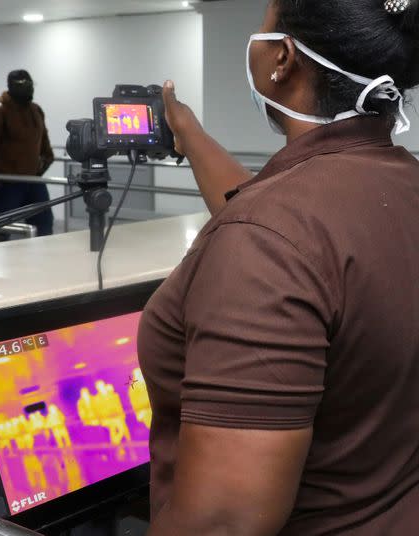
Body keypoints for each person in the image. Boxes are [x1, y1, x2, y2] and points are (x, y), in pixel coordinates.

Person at [138, 1, 419, 535]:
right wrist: (189, 133)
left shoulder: (268, 242)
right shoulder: (397, 187)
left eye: (263, 29)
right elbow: (300, 238)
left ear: (282, 59)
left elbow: (222, 522)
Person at [0, 70, 54, 236]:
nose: (29, 89)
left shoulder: (36, 110)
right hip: (6, 184)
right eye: (23, 86)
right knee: (0, 231)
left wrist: (42, 166)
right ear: (11, 87)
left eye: (31, 85)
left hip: (32, 181)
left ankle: (44, 261)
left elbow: (45, 147)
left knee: (44, 224)